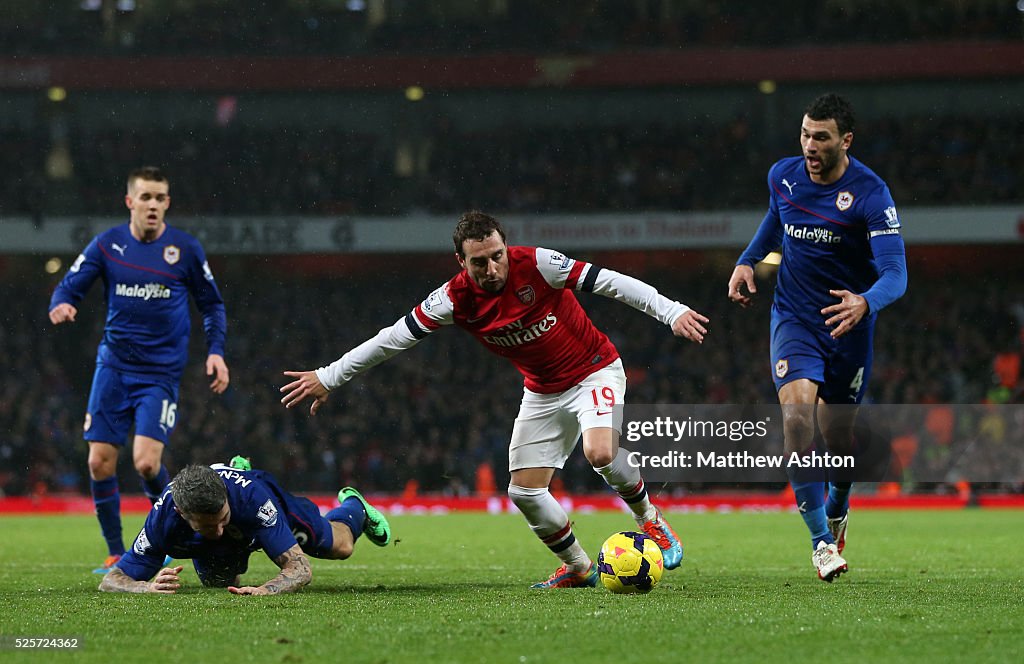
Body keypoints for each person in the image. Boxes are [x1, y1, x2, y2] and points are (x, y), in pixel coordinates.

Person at [280, 210, 710, 588]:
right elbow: (392, 339)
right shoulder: (453, 298)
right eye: (479, 261)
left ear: (506, 247)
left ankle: (651, 522)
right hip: (541, 390)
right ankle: (579, 568)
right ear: (461, 262)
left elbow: (611, 283)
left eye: (497, 255)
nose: (492, 267)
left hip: (593, 369)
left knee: (599, 452)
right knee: (524, 492)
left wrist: (669, 311)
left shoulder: (539, 264)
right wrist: (329, 377)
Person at [727, 93, 907, 582]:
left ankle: (839, 504)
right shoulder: (782, 176)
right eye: (805, 133)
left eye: (821, 137)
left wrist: (866, 300)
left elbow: (896, 273)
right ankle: (821, 543)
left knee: (839, 436)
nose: (809, 144)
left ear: (845, 141)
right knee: (797, 420)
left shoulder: (871, 194)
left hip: (848, 324)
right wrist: (747, 260)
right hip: (794, 318)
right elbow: (775, 222)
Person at [48, 167, 230, 573]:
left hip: (159, 375)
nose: (153, 205)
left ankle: (170, 537)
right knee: (98, 463)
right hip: (113, 368)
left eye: (160, 198)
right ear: (130, 202)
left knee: (146, 463)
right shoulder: (108, 245)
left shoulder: (184, 249)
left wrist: (216, 352)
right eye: (145, 197)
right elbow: (68, 285)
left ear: (168, 203)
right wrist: (61, 304)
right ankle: (116, 552)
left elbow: (212, 304)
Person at [98, 460, 392, 594]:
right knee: (218, 583)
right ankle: (237, 468)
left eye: (223, 519)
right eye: (208, 527)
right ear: (182, 514)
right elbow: (112, 579)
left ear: (226, 499)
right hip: (223, 534)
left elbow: (300, 569)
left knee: (340, 547)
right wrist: (146, 587)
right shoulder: (163, 519)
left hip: (261, 510)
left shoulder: (253, 500)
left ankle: (354, 507)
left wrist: (268, 589)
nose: (219, 530)